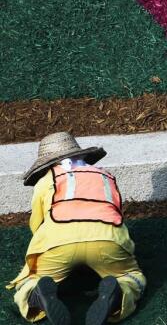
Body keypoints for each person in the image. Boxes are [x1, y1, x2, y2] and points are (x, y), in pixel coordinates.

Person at [6, 132, 146, 324]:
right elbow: (117, 214)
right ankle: (119, 294)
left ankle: (36, 294)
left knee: (27, 281)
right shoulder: (106, 176)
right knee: (132, 277)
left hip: (57, 243)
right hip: (108, 239)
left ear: (47, 164)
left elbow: (37, 224)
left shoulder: (47, 180)